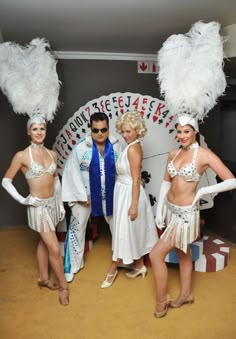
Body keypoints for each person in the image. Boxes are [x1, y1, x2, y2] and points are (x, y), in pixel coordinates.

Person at [149, 115, 236, 318]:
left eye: (186, 131)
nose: (182, 136)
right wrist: (160, 209)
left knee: (155, 255)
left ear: (195, 131)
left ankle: (161, 302)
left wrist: (202, 192)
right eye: (178, 131)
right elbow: (165, 184)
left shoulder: (203, 155)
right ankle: (186, 293)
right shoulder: (174, 153)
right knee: (182, 252)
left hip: (186, 215)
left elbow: (232, 181)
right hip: (170, 210)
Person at [2, 115, 69, 306]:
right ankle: (64, 287)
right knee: (55, 248)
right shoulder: (22, 156)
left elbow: (55, 180)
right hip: (38, 208)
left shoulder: (52, 154)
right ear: (28, 132)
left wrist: (60, 204)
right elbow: (6, 181)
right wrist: (23, 200)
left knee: (44, 241)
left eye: (42, 129)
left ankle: (43, 277)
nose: (39, 132)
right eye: (35, 129)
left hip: (53, 205)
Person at [62, 112, 121, 283]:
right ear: (90, 129)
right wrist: (80, 195)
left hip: (110, 195)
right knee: (76, 228)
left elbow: (122, 169)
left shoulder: (117, 145)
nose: (100, 134)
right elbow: (72, 172)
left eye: (103, 129)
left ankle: (122, 260)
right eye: (96, 130)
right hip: (85, 196)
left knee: (119, 227)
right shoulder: (81, 148)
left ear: (108, 128)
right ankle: (72, 265)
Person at [101, 110, 158, 288]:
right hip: (124, 191)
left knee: (124, 232)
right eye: (123, 131)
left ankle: (112, 269)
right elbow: (135, 175)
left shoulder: (133, 148)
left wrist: (133, 205)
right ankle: (140, 265)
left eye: (129, 131)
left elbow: (134, 179)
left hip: (130, 195)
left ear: (137, 130)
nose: (125, 135)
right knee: (131, 231)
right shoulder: (132, 146)